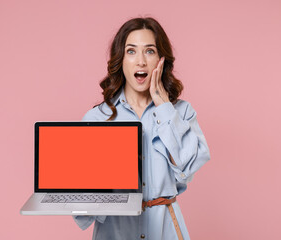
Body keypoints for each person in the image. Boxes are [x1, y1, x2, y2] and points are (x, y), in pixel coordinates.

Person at [73, 17, 210, 240]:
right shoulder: (98, 117)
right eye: (131, 51)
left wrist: (164, 107)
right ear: (121, 59)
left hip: (166, 230)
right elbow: (82, 198)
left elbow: (188, 166)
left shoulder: (181, 112)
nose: (141, 62)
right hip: (115, 232)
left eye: (149, 51)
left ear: (161, 59)